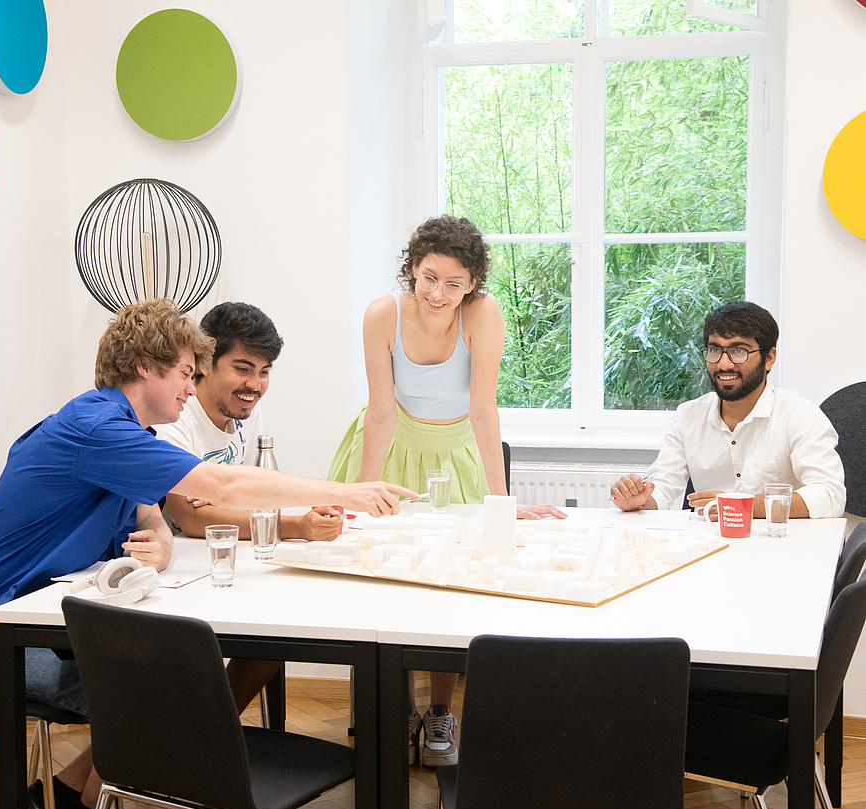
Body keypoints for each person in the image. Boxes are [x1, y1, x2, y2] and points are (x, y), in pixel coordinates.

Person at [0, 299, 414, 809]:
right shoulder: (93, 427)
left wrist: (161, 540)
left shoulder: (123, 429)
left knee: (170, 680)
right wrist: (347, 493)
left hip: (50, 618)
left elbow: (153, 512)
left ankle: (68, 802)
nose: (189, 387)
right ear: (146, 367)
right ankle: (63, 801)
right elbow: (216, 483)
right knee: (175, 693)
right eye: (184, 372)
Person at [327, 215, 565, 768]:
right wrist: (364, 489)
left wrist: (501, 503)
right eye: (429, 277)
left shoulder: (482, 316)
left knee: (451, 587)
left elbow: (484, 409)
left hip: (454, 451)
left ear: (472, 286)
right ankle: (397, 708)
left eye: (453, 284)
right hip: (391, 444)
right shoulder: (383, 314)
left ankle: (440, 712)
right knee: (388, 577)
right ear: (411, 266)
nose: (438, 294)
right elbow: (381, 409)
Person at [155, 301, 341, 713]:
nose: (254, 385)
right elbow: (190, 518)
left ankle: (208, 730)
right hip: (179, 572)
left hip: (225, 557)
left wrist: (228, 503)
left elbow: (249, 492)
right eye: (242, 368)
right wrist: (297, 525)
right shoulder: (173, 421)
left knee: (280, 634)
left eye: (264, 371)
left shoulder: (244, 412)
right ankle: (202, 734)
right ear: (205, 364)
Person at [611, 300, 845, 519]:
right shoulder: (688, 416)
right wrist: (638, 501)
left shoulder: (799, 415)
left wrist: (742, 505)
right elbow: (662, 487)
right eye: (714, 350)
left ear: (769, 358)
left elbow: (830, 496)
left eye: (738, 351)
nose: (724, 364)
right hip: (710, 547)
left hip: (781, 546)